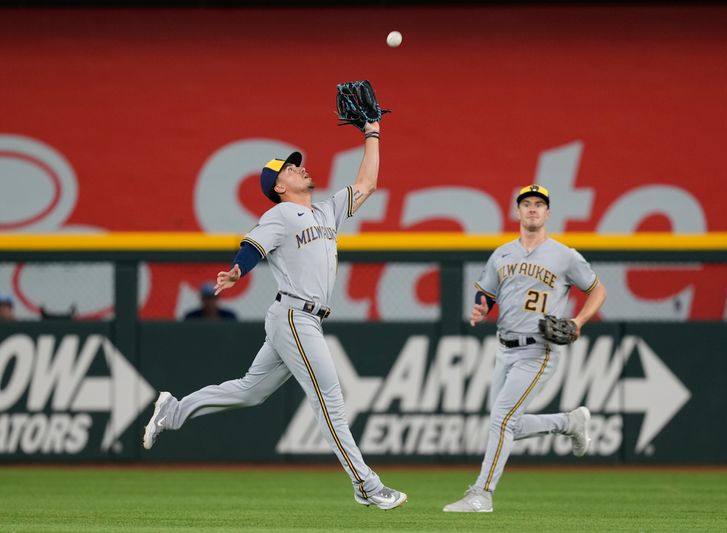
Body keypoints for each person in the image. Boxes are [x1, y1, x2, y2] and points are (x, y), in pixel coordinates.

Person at [142, 120, 407, 510]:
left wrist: (372, 133)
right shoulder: (281, 215)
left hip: (302, 319)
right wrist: (236, 271)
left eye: (297, 164)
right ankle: (366, 485)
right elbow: (253, 245)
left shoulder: (325, 211)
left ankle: (174, 410)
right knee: (329, 399)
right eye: (289, 168)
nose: (300, 168)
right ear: (279, 187)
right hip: (295, 317)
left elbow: (367, 184)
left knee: (251, 391)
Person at [443, 184, 607, 513]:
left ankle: (482, 493)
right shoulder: (502, 254)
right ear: (517, 212)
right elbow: (486, 293)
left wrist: (578, 321)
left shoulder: (564, 255)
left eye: (539, 205)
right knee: (508, 425)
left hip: (538, 350)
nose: (532, 209)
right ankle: (570, 423)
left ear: (548, 213)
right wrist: (481, 308)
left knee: (501, 421)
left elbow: (598, 290)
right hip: (505, 348)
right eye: (526, 204)